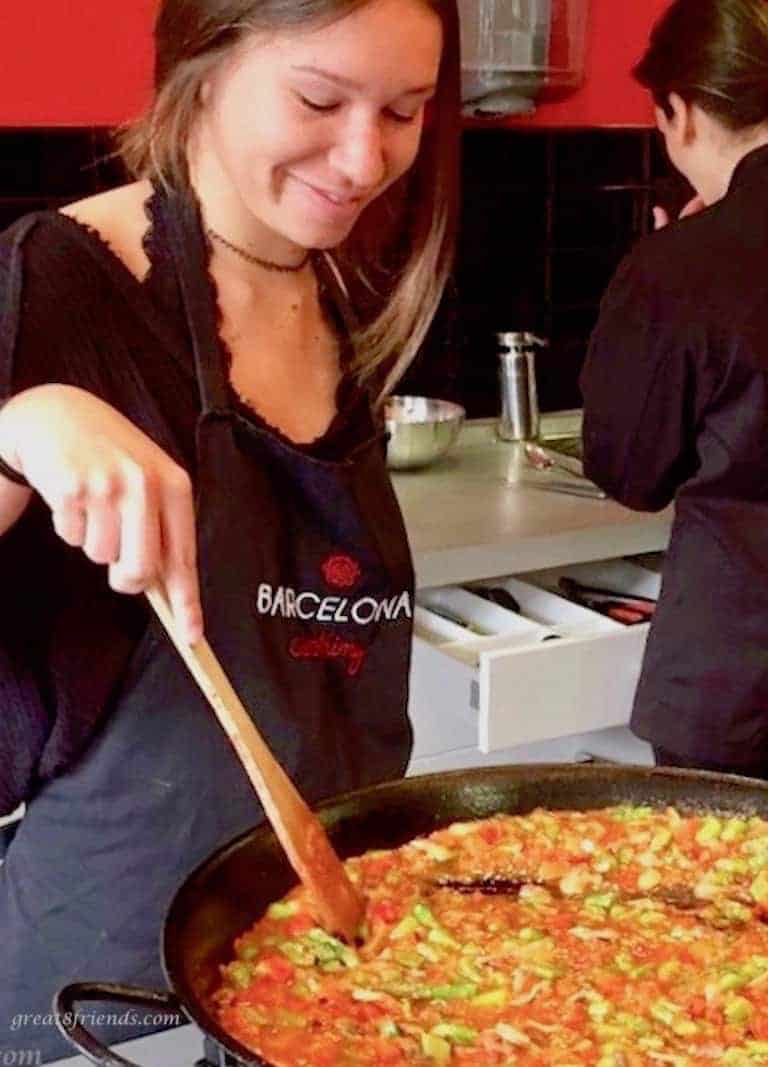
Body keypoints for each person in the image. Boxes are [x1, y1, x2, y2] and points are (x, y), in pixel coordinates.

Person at [0, 0, 460, 1058]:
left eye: (404, 110)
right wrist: (19, 427)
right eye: (317, 98)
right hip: (106, 984)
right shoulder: (58, 275)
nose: (363, 157)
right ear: (199, 70)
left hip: (328, 942)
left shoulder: (337, 282)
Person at [581, 0, 768, 782]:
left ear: (679, 110)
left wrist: (657, 277)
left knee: (723, 900)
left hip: (737, 689)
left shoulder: (682, 265)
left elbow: (630, 472)